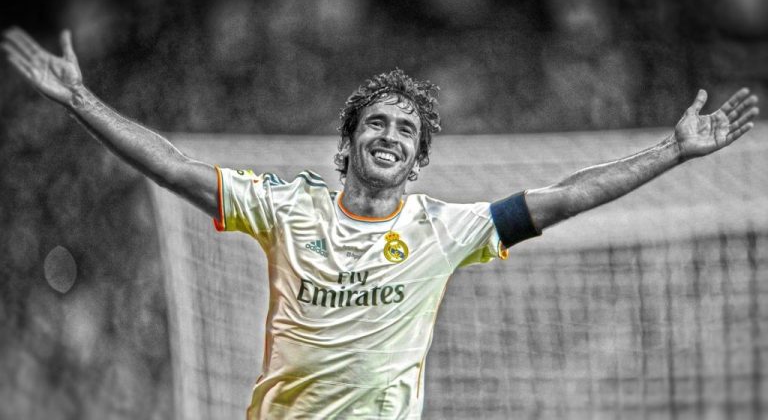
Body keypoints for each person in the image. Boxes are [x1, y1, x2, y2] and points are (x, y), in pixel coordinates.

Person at [1, 27, 759, 419]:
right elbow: (173, 167)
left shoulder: (443, 229)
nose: (390, 135)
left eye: (406, 130)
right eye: (377, 122)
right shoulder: (285, 207)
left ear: (418, 161)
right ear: (348, 144)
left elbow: (563, 198)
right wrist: (81, 101)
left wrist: (671, 152)